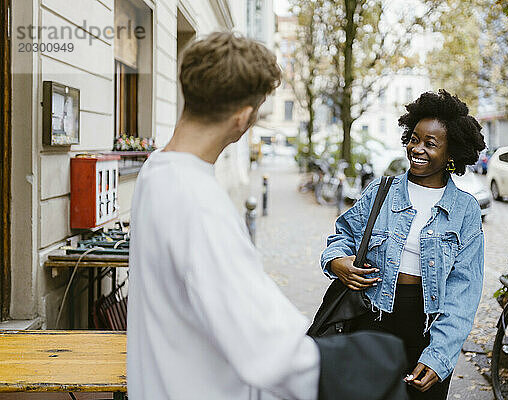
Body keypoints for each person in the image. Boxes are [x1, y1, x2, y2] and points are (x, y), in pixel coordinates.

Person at [127, 32, 409, 400]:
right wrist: (376, 361)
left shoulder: (156, 170)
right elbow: (270, 351)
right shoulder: (199, 204)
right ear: (243, 117)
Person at [320, 90, 486, 400]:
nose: (417, 148)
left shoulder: (465, 210)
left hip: (428, 328)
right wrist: (336, 261)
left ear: (452, 153)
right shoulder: (381, 191)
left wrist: (439, 355)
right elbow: (342, 234)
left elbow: (464, 291)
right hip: (371, 317)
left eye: (430, 143)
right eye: (414, 138)